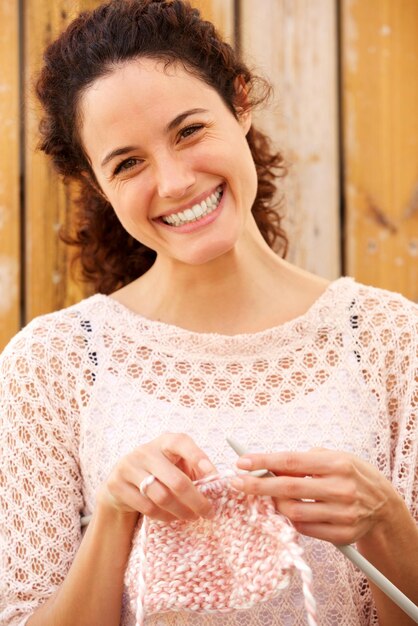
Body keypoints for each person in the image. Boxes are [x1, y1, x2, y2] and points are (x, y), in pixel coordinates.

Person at [0, 0, 417, 624]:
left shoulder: (393, 342)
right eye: (128, 162)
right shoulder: (48, 367)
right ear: (96, 181)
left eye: (189, 130)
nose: (173, 182)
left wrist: (385, 520)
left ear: (240, 103)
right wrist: (114, 514)